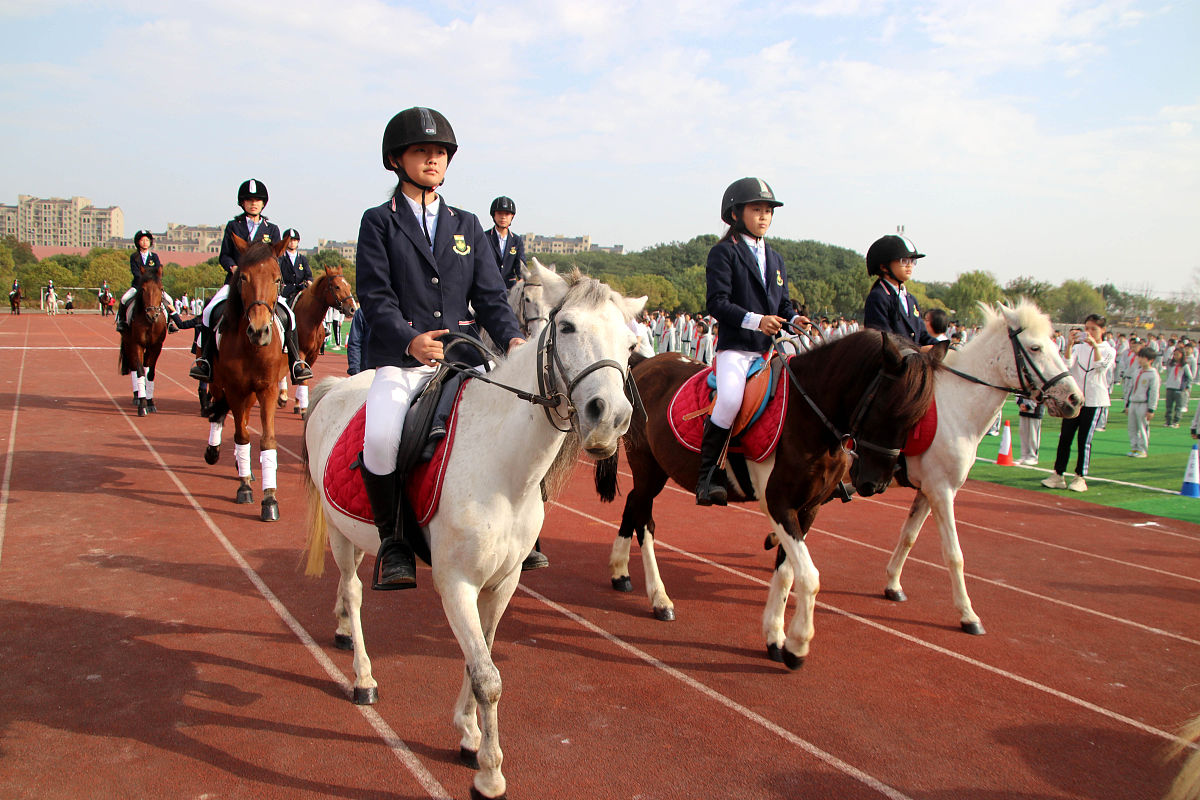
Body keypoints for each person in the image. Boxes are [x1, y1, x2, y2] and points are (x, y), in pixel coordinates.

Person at [356, 106, 525, 589]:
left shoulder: (468, 224)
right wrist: (410, 340)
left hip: (463, 358)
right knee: (383, 435)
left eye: (440, 153)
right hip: (401, 359)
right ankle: (393, 542)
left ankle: (523, 532)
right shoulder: (378, 223)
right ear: (397, 160)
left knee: (517, 416)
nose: (433, 159)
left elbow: (490, 297)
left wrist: (513, 337)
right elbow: (375, 296)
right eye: (421, 151)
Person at [699, 176, 804, 506]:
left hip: (772, 349)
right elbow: (717, 302)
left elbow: (783, 303)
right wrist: (757, 321)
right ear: (735, 214)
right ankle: (708, 475)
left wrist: (795, 317)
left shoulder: (776, 258)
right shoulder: (723, 253)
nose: (764, 216)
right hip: (738, 349)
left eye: (768, 211)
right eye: (757, 210)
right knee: (729, 400)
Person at [189, 180, 312, 383]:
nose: (253, 203)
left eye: (257, 200)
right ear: (242, 203)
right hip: (237, 283)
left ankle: (296, 363)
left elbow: (276, 257)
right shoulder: (233, 226)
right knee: (209, 311)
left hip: (263, 286)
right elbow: (225, 255)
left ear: (263, 204)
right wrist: (234, 268)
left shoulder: (271, 229)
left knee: (289, 315)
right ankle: (205, 361)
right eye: (249, 200)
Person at [1042, 314, 1115, 492]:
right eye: (1086, 328)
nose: (1089, 332)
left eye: (1093, 329)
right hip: (1075, 400)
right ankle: (1058, 474)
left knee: (1084, 440)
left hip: (1094, 400)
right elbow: (1066, 364)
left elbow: (1100, 367)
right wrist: (1070, 345)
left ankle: (1080, 476)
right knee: (1065, 437)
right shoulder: (1079, 348)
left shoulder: (1109, 350)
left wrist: (1095, 346)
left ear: (1102, 330)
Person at [863, 234, 936, 347]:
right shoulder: (878, 297)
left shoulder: (911, 299)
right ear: (884, 267)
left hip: (913, 361)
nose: (909, 266)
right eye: (904, 261)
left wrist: (943, 346)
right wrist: (919, 351)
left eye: (912, 261)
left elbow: (922, 335)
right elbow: (883, 340)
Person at [115, 230, 184, 333]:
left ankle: (170, 323)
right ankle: (122, 322)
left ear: (150, 242)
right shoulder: (134, 257)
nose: (145, 242)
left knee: (169, 300)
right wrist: (144, 281)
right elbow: (135, 272)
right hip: (138, 285)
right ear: (138, 242)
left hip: (154, 286)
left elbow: (158, 271)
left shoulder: (154, 256)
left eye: (147, 240)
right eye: (142, 240)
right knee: (124, 299)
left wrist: (153, 282)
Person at [1124, 345, 1159, 457]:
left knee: (1142, 427)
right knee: (1132, 427)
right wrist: (1127, 404)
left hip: (1143, 404)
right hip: (1133, 402)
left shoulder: (1153, 374)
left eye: (1143, 358)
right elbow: (1131, 388)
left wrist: (1151, 409)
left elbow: (1154, 392)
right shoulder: (1137, 372)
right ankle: (1134, 447)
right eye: (1139, 357)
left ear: (1150, 360)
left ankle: (1142, 449)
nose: (1140, 360)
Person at [485, 196, 525, 289]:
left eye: (507, 214)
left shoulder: (517, 240)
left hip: (509, 289)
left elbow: (521, 266)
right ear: (493, 215)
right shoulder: (484, 237)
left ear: (512, 216)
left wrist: (522, 280)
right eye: (499, 213)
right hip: (488, 287)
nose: (503, 217)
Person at [278, 228, 313, 304]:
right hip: (285, 292)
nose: (292, 243)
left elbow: (308, 275)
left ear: (298, 242)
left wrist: (309, 282)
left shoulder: (302, 259)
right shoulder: (280, 258)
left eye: (294, 240)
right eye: (290, 240)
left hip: (301, 291)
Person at [1163, 347, 1192, 428]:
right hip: (1170, 386)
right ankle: (1168, 421)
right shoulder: (1172, 364)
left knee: (1178, 407)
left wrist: (1187, 386)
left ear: (1182, 355)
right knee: (1168, 406)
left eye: (1177, 354)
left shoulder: (1184, 365)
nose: (1175, 356)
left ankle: (1176, 421)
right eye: (1174, 354)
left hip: (1179, 388)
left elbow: (1189, 376)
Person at [1016, 396, 1044, 465]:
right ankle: (1024, 455)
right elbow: (1018, 392)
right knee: (1023, 433)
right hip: (1023, 410)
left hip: (1035, 411)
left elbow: (1040, 395)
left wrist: (1029, 406)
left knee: (1033, 435)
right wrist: (1020, 403)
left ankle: (1033, 457)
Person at [345, 308, 369, 376]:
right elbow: (354, 343)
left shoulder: (397, 310)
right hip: (366, 371)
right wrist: (355, 371)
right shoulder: (362, 312)